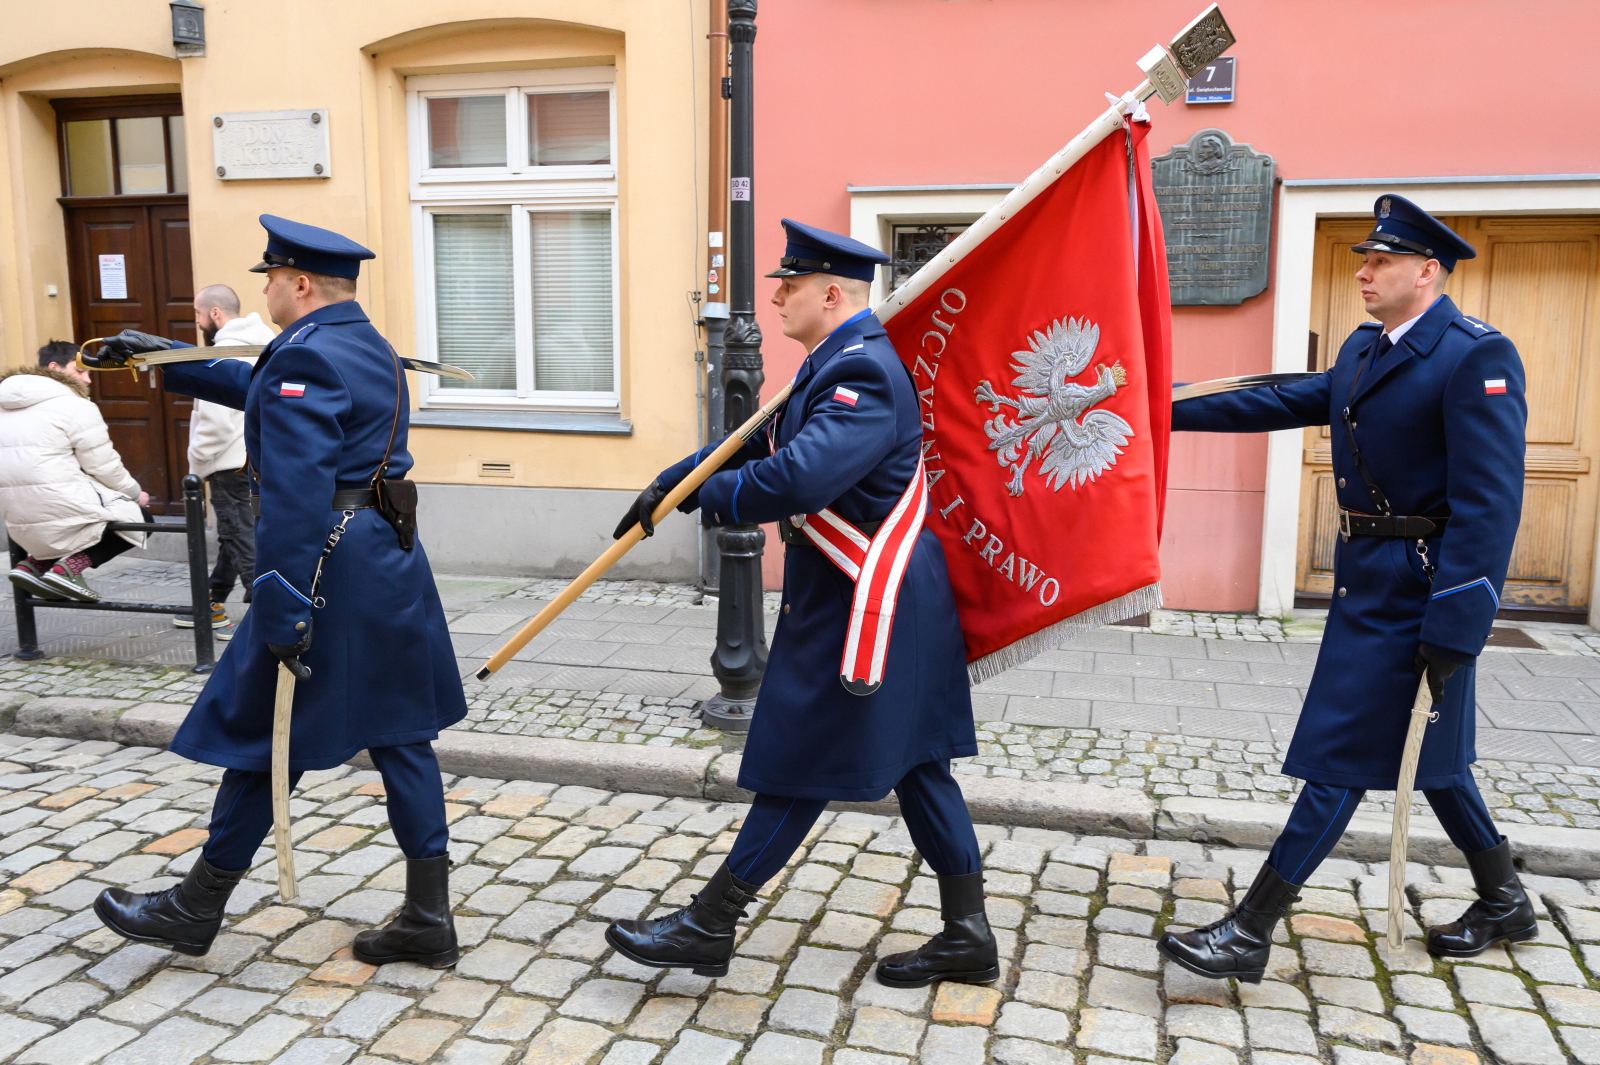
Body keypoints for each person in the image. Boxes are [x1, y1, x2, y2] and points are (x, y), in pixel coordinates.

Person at [604, 220, 995, 989]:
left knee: (807, 762)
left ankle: (711, 921)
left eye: (790, 282)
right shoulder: (832, 364)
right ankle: (968, 934)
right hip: (871, 600)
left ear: (830, 293)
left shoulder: (864, 374)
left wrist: (701, 498)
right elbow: (756, 442)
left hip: (867, 607)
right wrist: (672, 480)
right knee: (919, 769)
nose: (776, 294)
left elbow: (795, 479)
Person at [1157, 195, 1530, 981]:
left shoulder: (1475, 357)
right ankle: (1504, 898)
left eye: (1381, 260)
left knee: (1344, 752)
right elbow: (1279, 399)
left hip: (1424, 590)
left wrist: (1458, 624)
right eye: (1364, 258)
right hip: (1369, 580)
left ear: (1428, 270)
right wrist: (1162, 403)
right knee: (1430, 754)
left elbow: (1489, 507)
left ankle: (1251, 928)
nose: (1363, 271)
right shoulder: (1366, 349)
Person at [84, 216, 467, 967]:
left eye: (270, 277)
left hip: (326, 566)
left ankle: (196, 905)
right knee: (399, 733)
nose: (264, 288)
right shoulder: (363, 346)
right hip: (385, 556)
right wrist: (165, 359)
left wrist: (283, 597)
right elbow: (260, 380)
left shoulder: (311, 357)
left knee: (271, 730)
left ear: (299, 283)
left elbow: (295, 490)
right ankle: (428, 916)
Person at [1, 340, 149, 602]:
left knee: (65, 516)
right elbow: (104, 466)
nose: (88, 379)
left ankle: (33, 565)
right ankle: (68, 570)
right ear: (55, 368)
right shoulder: (75, 406)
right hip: (58, 504)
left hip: (15, 510)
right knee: (142, 520)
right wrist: (135, 494)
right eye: (80, 371)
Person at [176, 284, 276, 639]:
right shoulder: (263, 343)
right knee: (235, 536)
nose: (199, 321)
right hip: (258, 459)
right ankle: (210, 603)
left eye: (198, 313)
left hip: (228, 462)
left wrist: (196, 464)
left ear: (215, 314)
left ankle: (265, 620)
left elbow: (215, 425)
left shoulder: (224, 354)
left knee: (241, 535)